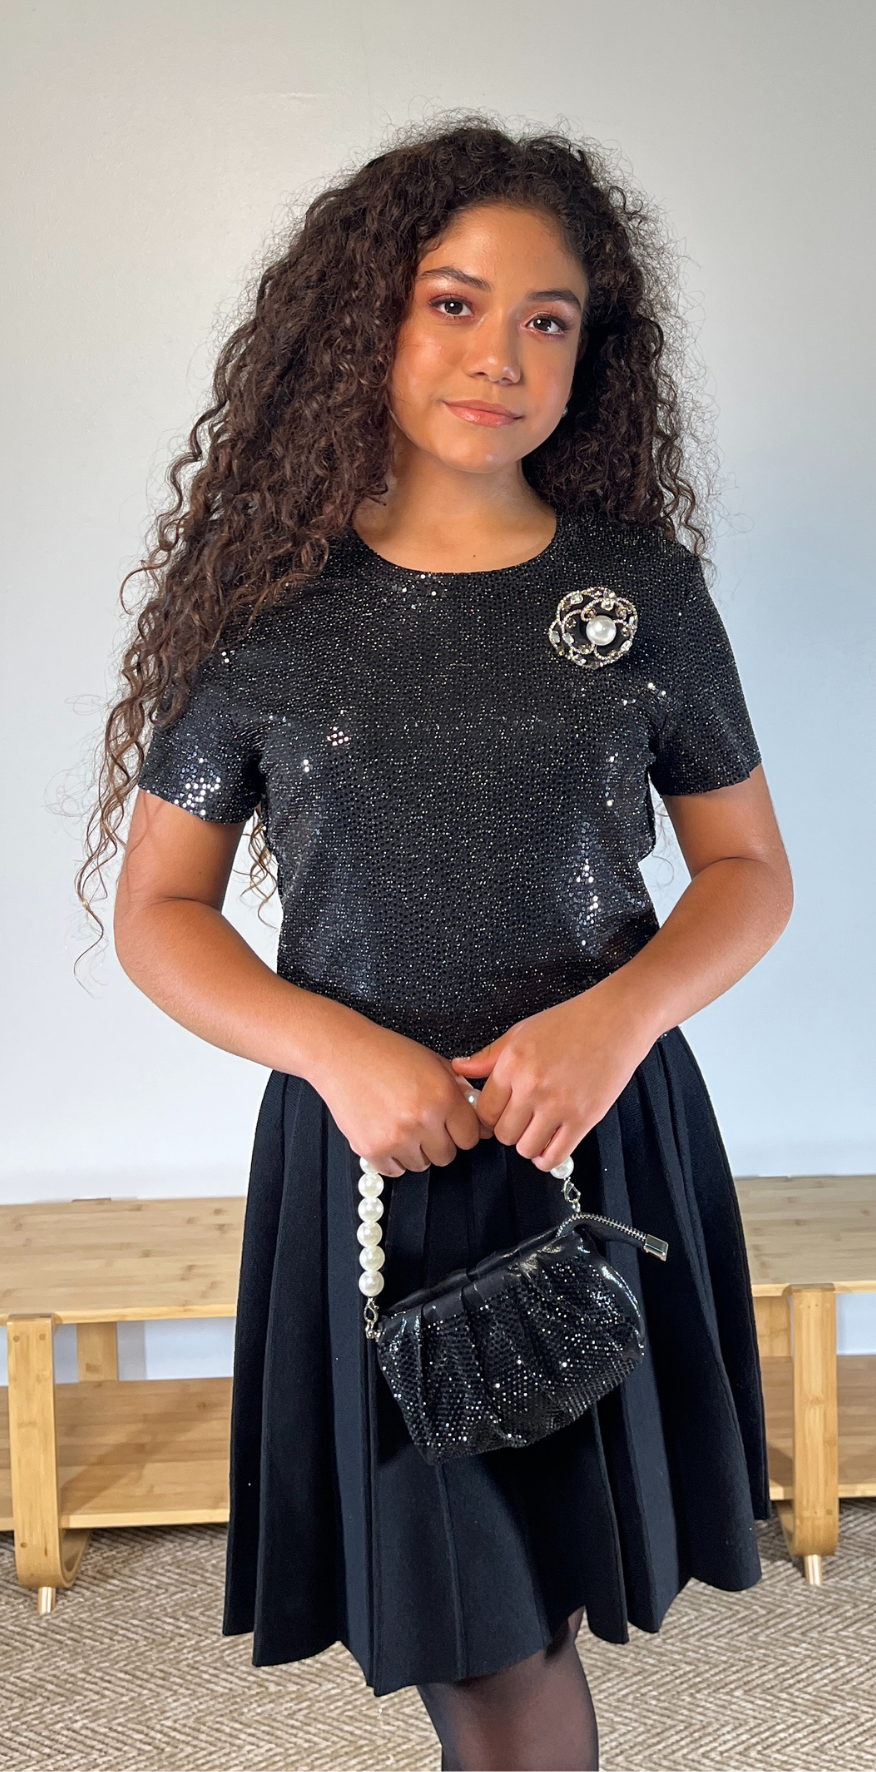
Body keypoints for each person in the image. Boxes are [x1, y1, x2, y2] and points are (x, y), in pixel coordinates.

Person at [79, 119, 793, 1772]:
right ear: (365, 322)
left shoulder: (639, 593)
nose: (502, 356)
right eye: (455, 304)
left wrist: (613, 1022)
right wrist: (335, 1050)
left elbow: (748, 871)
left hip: (597, 1145)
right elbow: (160, 914)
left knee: (539, 1603)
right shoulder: (271, 610)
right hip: (374, 1173)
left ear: (592, 353)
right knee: (478, 1633)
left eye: (550, 320)